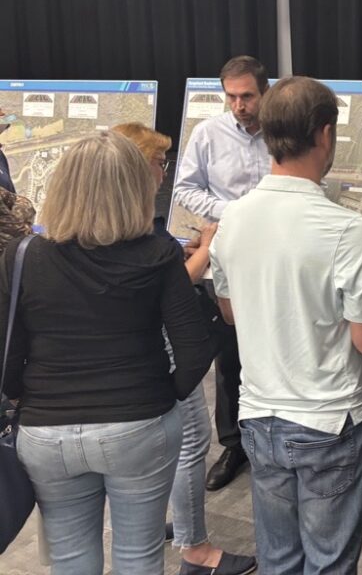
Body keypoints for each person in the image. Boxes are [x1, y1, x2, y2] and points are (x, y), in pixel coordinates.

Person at [0, 132, 212, 574]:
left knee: (70, 558)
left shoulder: (22, 257)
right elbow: (195, 348)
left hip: (45, 431)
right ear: (135, 187)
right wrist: (161, 395)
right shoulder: (158, 254)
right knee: (139, 555)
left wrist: (34, 397)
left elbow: (7, 356)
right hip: (139, 423)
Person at [210, 76, 362, 573]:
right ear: (326, 134)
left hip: (258, 418)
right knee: (330, 562)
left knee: (279, 557)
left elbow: (230, 313)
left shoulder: (231, 219)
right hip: (330, 422)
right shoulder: (348, 231)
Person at [112, 122, 256, 575]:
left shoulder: (108, 217)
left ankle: (156, 526)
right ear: (138, 166)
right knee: (191, 442)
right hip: (164, 350)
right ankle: (197, 550)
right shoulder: (141, 227)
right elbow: (168, 287)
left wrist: (186, 252)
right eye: (159, 161)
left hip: (131, 355)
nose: (164, 170)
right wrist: (206, 250)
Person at [174, 55, 271, 490]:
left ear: (263, 92)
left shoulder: (283, 130)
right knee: (229, 356)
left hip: (276, 256)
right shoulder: (207, 134)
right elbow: (184, 189)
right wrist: (235, 212)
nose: (239, 105)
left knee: (274, 346)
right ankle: (233, 444)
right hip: (227, 259)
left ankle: (272, 437)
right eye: (231, 96)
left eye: (247, 96)